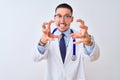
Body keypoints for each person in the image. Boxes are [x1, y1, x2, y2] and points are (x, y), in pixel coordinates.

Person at [33, 3, 100, 80]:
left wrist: (88, 43)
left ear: (72, 19)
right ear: (54, 18)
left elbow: (93, 58)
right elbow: (35, 58)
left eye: (66, 16)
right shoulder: (47, 37)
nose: (62, 20)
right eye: (59, 16)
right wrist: (42, 42)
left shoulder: (80, 36)